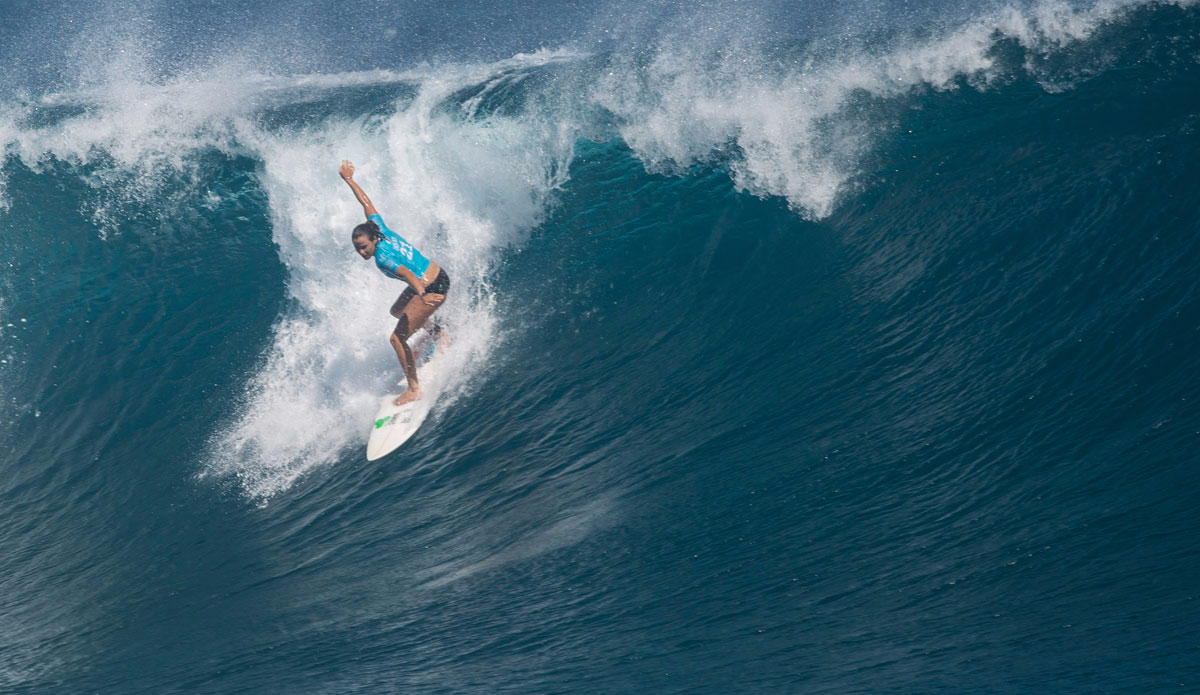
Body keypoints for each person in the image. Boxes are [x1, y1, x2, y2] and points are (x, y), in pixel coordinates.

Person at [340, 160, 449, 406]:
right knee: (397, 311)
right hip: (438, 274)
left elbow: (408, 276)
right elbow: (366, 203)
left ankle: (414, 388)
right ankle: (438, 333)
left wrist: (422, 295)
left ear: (373, 241)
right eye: (358, 249)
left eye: (364, 247)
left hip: (430, 288)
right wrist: (349, 180)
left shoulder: (382, 258)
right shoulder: (380, 228)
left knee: (396, 338)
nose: (362, 253)